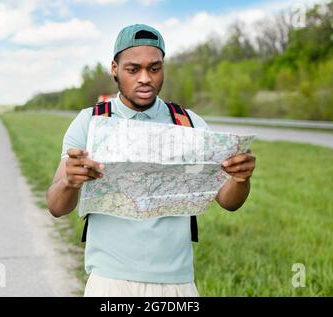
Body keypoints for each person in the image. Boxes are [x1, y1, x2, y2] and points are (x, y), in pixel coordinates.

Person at [46, 24, 256, 297]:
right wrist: (69, 182)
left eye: (154, 68)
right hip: (109, 281)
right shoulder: (90, 122)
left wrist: (241, 178)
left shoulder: (189, 123)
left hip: (177, 283)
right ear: (114, 68)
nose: (145, 78)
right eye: (133, 69)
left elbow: (229, 203)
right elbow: (55, 206)